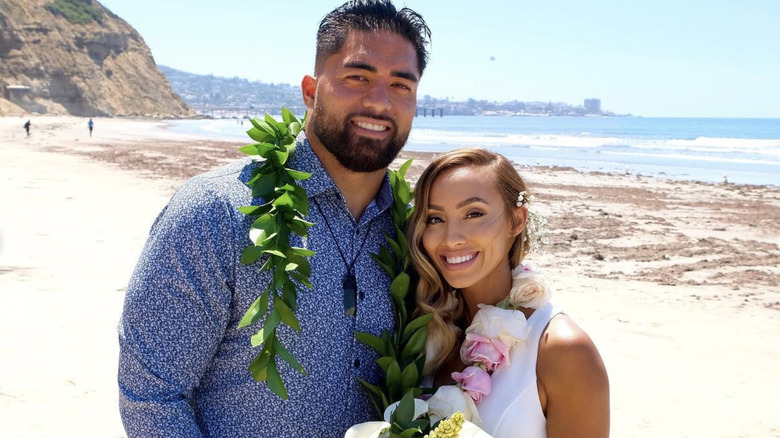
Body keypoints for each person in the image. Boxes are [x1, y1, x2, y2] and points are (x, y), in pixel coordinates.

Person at [117, 1, 431, 437]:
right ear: (309, 90)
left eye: (401, 85)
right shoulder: (216, 213)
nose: (379, 102)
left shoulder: (414, 234)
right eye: (357, 77)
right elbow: (152, 396)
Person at [408, 149, 610, 438]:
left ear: (517, 220)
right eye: (435, 219)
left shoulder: (561, 349)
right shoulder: (424, 331)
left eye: (474, 214)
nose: (451, 239)